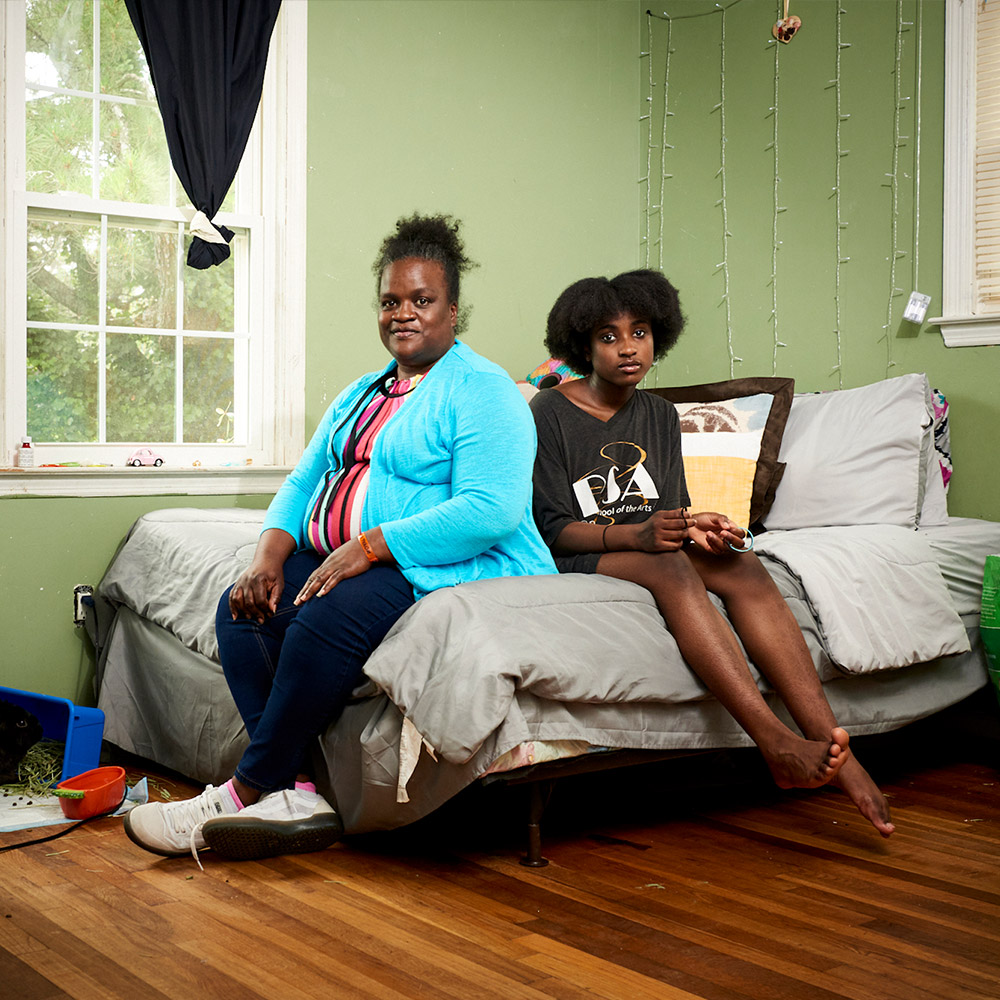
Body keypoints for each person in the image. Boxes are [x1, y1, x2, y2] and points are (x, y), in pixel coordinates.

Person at [124, 214, 557, 864]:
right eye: (391, 301)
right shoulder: (367, 390)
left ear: (452, 310)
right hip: (359, 556)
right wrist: (268, 555)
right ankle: (297, 791)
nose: (403, 314)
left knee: (324, 616)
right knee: (242, 609)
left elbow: (490, 511)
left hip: (455, 562)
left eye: (421, 300)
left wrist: (372, 546)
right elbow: (304, 480)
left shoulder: (484, 390)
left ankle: (243, 791)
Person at [529, 269, 894, 837]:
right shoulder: (548, 413)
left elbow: (672, 507)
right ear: (581, 344)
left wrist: (699, 525)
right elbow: (554, 528)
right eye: (608, 336)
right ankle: (771, 741)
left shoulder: (658, 415)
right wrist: (644, 536)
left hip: (650, 541)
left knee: (745, 567)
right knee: (670, 565)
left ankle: (836, 751)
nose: (628, 347)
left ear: (659, 337)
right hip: (588, 549)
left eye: (641, 332)